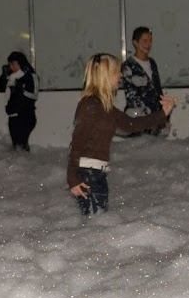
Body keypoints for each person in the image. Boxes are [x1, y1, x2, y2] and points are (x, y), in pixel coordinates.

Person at [67, 53, 176, 215]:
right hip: (87, 176)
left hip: (97, 175)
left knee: (97, 226)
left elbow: (132, 125)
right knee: (95, 226)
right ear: (106, 74)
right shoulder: (90, 105)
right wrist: (73, 179)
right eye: (117, 71)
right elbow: (77, 143)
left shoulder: (105, 107)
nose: (120, 75)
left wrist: (163, 113)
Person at [120, 26, 167, 134]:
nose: (148, 44)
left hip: (155, 117)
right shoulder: (128, 66)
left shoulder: (152, 63)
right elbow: (131, 96)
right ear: (135, 43)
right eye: (144, 41)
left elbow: (158, 90)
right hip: (138, 119)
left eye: (150, 41)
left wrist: (164, 118)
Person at [0, 51, 38, 152]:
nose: (11, 67)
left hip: (25, 115)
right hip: (13, 115)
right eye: (10, 64)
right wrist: (3, 76)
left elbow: (34, 95)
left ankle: (26, 164)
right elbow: (0, 88)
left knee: (21, 145)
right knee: (16, 146)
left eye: (13, 64)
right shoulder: (11, 77)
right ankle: (22, 164)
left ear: (20, 63)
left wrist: (20, 89)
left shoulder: (30, 76)